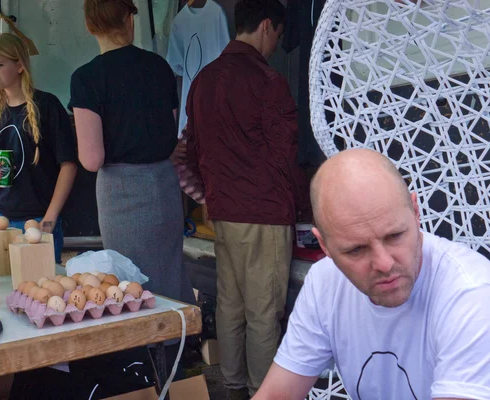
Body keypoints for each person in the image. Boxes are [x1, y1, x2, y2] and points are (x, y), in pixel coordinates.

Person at [254, 149, 490, 400]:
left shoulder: (473, 295)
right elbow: (276, 395)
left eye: (395, 236)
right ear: (324, 247)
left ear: (415, 212)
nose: (384, 263)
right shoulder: (324, 282)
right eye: (356, 249)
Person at [181, 0, 298, 398]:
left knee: (230, 306)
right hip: (265, 212)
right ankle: (262, 392)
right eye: (278, 37)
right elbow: (285, 156)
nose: (275, 46)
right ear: (267, 26)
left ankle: (232, 389)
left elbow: (189, 153)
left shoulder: (203, 81)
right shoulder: (268, 81)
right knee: (264, 314)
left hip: (223, 214)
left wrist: (210, 192)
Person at [69, 0, 194, 305]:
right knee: (168, 273)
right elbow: (171, 131)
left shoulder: (86, 78)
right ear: (129, 20)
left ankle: (143, 349)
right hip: (164, 186)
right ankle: (175, 344)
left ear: (89, 26)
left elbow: (91, 159)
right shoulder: (159, 67)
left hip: (120, 192)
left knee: (130, 283)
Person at [0, 33, 77, 264]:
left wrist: (49, 221)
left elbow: (69, 166)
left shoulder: (48, 105)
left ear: (20, 66)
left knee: (40, 294)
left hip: (37, 220)